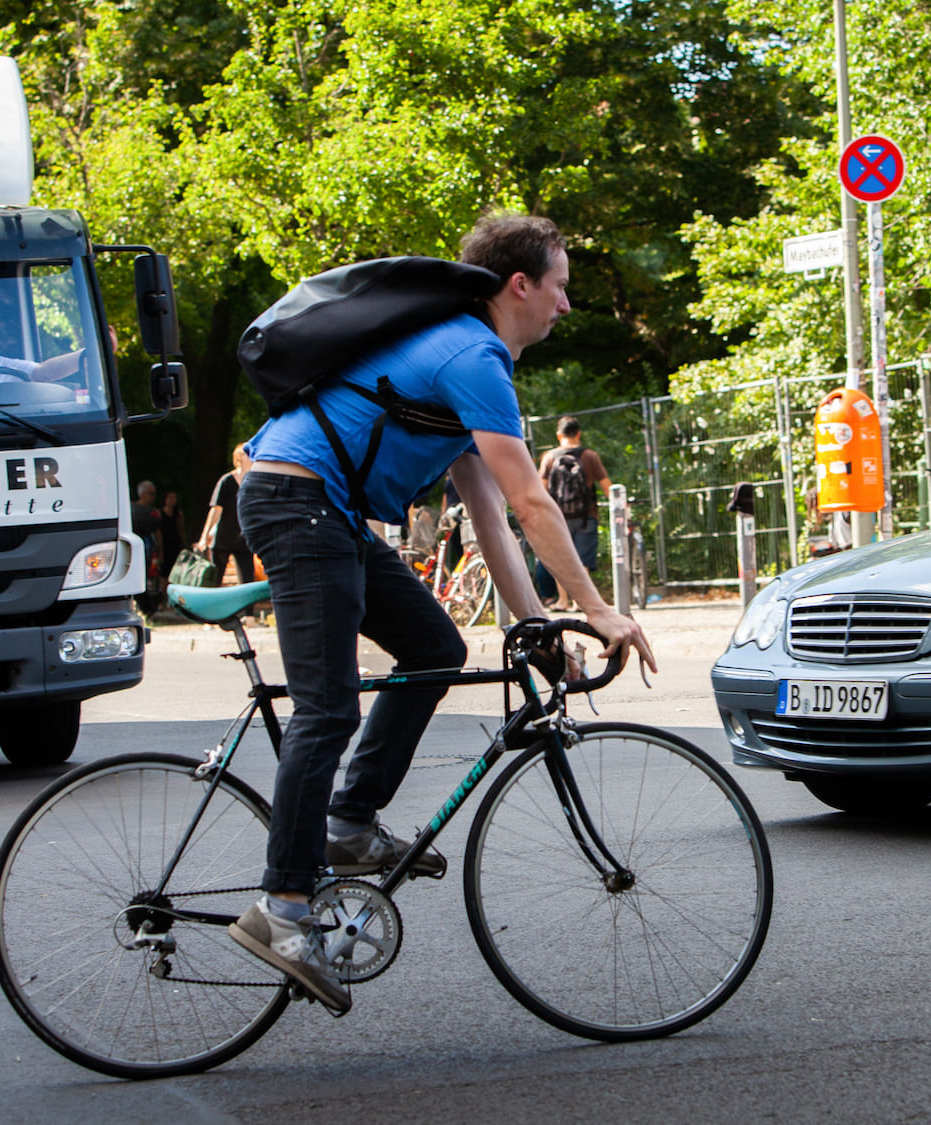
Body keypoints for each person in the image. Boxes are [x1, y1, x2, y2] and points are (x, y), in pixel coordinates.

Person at [227, 214, 655, 1014]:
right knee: (328, 707)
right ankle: (281, 910)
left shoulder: (464, 358)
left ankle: (348, 822)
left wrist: (536, 627)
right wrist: (599, 610)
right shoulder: (473, 354)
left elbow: (493, 517)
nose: (566, 305)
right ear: (520, 285)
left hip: (326, 511)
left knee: (434, 645)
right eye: (560, 286)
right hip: (298, 503)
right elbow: (532, 502)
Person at [533, 416, 611, 611]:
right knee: (582, 560)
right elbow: (606, 486)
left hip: (557, 517)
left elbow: (540, 489)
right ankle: (580, 602)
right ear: (578, 434)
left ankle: (563, 601)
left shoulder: (549, 457)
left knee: (561, 559)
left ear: (559, 435)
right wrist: (620, 505)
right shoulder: (590, 456)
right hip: (586, 515)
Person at [196, 445, 258, 586]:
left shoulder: (254, 482)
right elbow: (215, 511)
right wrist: (204, 538)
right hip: (223, 539)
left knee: (247, 581)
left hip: (244, 540)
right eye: (248, 453)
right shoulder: (226, 481)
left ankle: (245, 603)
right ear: (240, 457)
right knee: (215, 581)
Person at [130, 480, 165, 614]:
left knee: (149, 575)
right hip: (134, 546)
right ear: (142, 494)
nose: (153, 497)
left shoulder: (154, 512)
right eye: (151, 493)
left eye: (154, 494)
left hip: (149, 547)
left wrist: (160, 551)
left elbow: (158, 531)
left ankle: (147, 606)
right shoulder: (131, 508)